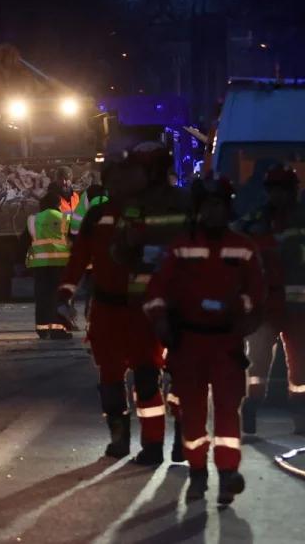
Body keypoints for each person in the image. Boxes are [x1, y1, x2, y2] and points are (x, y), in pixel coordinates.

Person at [56, 142, 185, 465]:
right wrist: (64, 294)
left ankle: (153, 444)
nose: (119, 183)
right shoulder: (98, 215)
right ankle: (119, 438)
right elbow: (78, 258)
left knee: (146, 376)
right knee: (110, 379)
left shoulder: (156, 211)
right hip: (107, 310)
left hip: (144, 310)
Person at [143, 176, 265, 505]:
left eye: (220, 206)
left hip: (226, 344)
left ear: (228, 208)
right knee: (193, 414)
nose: (214, 213)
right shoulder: (181, 246)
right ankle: (198, 474)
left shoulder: (244, 247)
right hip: (189, 342)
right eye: (208, 206)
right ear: (199, 210)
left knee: (228, 410)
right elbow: (156, 290)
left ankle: (228, 474)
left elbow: (257, 293)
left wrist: (246, 319)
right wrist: (161, 322)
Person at [235, 163, 305, 436]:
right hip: (266, 307)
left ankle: (300, 416)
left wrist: (290, 254)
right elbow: (233, 238)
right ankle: (251, 408)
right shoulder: (255, 219)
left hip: (300, 308)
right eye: (273, 190)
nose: (277, 195)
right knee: (257, 364)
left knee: (300, 366)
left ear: (292, 191)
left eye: (282, 190)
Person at [26, 186, 73, 340]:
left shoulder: (34, 219)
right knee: (58, 297)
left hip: (40, 265)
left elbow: (25, 241)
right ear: (58, 204)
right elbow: (73, 240)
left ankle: (42, 329)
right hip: (60, 264)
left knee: (42, 297)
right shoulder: (65, 219)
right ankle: (57, 330)